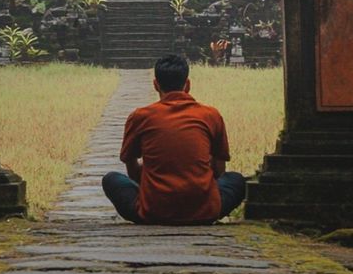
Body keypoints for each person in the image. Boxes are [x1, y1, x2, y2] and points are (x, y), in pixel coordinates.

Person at [102, 54, 246, 224]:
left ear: (155, 85)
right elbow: (219, 169)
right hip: (204, 211)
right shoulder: (210, 115)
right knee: (236, 180)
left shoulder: (140, 116)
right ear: (188, 85)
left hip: (153, 211)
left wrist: (152, 181)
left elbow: (131, 167)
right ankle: (201, 207)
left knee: (111, 179)